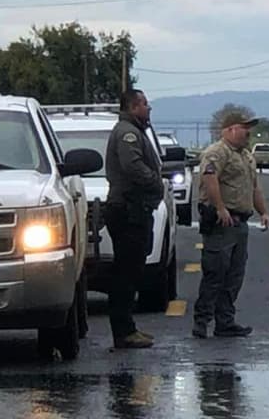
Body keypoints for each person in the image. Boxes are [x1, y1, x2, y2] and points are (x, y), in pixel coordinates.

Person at [193, 108, 269, 339]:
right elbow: (209, 178)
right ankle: (202, 321)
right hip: (221, 222)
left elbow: (254, 187)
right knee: (215, 273)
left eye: (249, 128)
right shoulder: (217, 152)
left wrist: (264, 212)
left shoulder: (246, 156)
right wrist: (219, 207)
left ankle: (225, 321)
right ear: (229, 129)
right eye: (244, 127)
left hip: (240, 222)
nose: (248, 132)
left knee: (234, 275)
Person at [104, 88, 163, 349]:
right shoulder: (127, 133)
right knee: (126, 273)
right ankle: (123, 331)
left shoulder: (136, 130)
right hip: (127, 209)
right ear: (133, 107)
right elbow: (132, 166)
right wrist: (154, 182)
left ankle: (128, 328)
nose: (148, 108)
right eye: (145, 104)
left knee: (131, 270)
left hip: (134, 209)